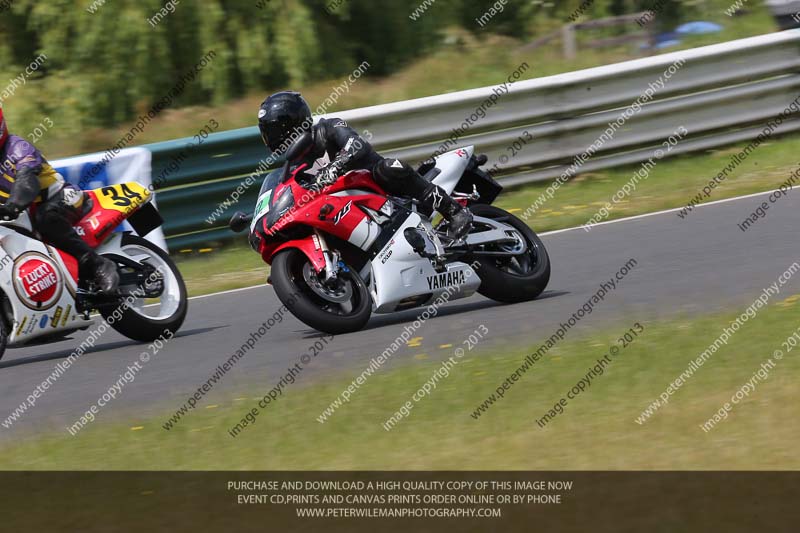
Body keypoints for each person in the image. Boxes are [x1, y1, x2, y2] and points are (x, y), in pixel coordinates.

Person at [257, 91, 473, 241]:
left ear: (292, 122)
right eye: (267, 133)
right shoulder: (292, 165)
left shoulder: (329, 127)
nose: (270, 139)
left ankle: (454, 212)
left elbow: (357, 146)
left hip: (379, 187)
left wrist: (336, 166)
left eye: (273, 132)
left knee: (390, 167)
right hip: (344, 206)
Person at [0, 108, 119, 293]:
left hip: (62, 196)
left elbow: (27, 180)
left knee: (46, 218)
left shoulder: (17, 147)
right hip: (22, 215)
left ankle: (99, 265)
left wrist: (13, 205)